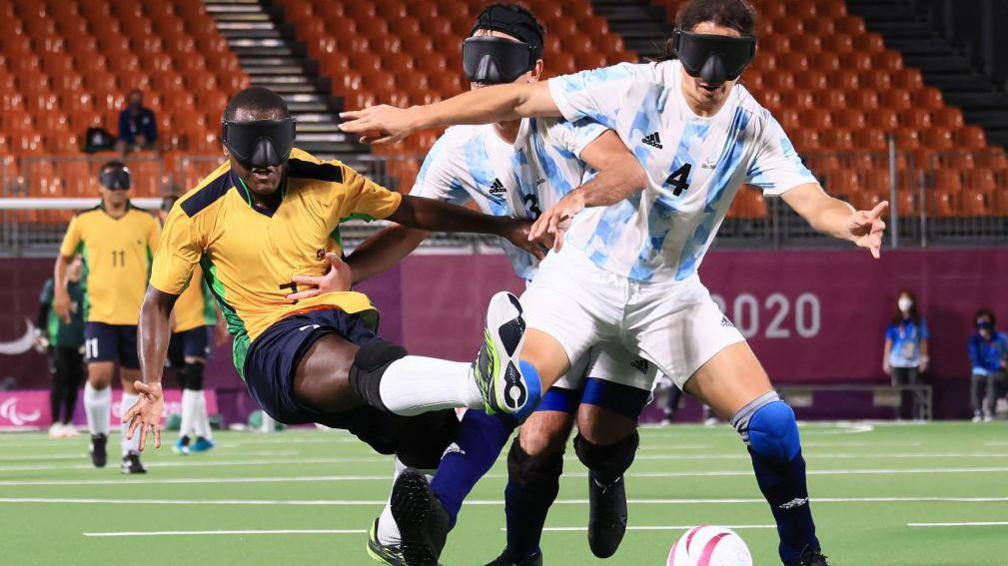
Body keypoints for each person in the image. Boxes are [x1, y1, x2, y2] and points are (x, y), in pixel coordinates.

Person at [340, 0, 893, 563]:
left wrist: (845, 220)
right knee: (516, 398)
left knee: (766, 424)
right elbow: (519, 96)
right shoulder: (629, 85)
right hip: (578, 280)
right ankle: (434, 522)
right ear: (679, 46)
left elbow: (811, 197)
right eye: (700, 54)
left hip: (667, 296)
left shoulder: (751, 126)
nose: (709, 73)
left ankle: (803, 553)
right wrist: (409, 117)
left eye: (727, 58)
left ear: (747, 59)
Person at [123, 87, 544, 561]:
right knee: (372, 364)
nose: (265, 167)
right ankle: (478, 382)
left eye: (275, 154)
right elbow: (157, 302)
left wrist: (502, 226)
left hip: (342, 322)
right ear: (225, 145)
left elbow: (410, 210)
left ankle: (390, 534)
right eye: (250, 155)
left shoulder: (327, 177)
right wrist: (153, 384)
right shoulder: (196, 212)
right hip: (271, 345)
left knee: (429, 427)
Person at [340, 6, 655, 563]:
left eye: (500, 59)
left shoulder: (568, 118)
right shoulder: (459, 147)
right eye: (474, 61)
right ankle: (476, 537)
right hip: (553, 296)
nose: (483, 75)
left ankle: (606, 475)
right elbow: (412, 224)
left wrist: (575, 199)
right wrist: (350, 270)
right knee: (531, 431)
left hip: (621, 285)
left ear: (534, 70)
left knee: (597, 431)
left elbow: (629, 172)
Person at [54, 160, 161, 473]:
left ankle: (130, 454)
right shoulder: (84, 221)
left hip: (136, 315)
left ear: (129, 188)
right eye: (111, 184)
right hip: (98, 313)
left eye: (122, 184)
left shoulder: (146, 222)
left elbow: (163, 262)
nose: (116, 191)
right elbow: (63, 258)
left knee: (133, 383)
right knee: (99, 376)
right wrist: (61, 291)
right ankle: (99, 435)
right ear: (100, 187)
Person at [158, 196, 224, 455]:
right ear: (160, 214)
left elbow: (212, 281)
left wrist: (220, 317)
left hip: (197, 319)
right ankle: (205, 435)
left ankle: (184, 437)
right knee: (185, 380)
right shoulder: (157, 243)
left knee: (194, 376)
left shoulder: (198, 239)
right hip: (171, 321)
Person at [36, 255, 87, 438]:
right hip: (58, 341)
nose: (79, 264)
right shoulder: (55, 286)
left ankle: (68, 422)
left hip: (78, 342)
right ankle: (55, 423)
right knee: (59, 381)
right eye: (75, 260)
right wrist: (39, 333)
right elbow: (42, 310)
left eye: (82, 261)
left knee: (74, 382)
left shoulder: (84, 288)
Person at [882, 290, 929, 419]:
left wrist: (924, 359)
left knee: (916, 389)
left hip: (914, 361)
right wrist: (885, 361)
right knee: (897, 391)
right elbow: (888, 342)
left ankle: (918, 416)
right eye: (902, 299)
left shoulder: (919, 321)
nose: (904, 302)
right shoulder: (894, 321)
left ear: (912, 302)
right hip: (897, 361)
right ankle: (898, 417)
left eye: (907, 299)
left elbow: (923, 341)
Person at [968, 309, 1007, 422]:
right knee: (976, 379)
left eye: (986, 321)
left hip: (999, 373)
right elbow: (976, 360)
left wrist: (1002, 364)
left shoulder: (1001, 338)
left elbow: (1005, 359)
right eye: (981, 321)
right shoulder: (974, 340)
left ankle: (990, 411)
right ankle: (978, 411)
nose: (983, 324)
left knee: (992, 378)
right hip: (981, 371)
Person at [116, 89, 158, 153]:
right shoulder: (124, 115)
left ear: (141, 100)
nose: (136, 102)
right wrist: (134, 138)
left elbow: (153, 133)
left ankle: (153, 163)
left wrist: (145, 138)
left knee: (156, 145)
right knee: (120, 145)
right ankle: (121, 162)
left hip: (146, 143)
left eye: (138, 100)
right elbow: (122, 135)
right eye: (133, 100)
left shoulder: (149, 114)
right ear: (129, 101)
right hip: (130, 144)